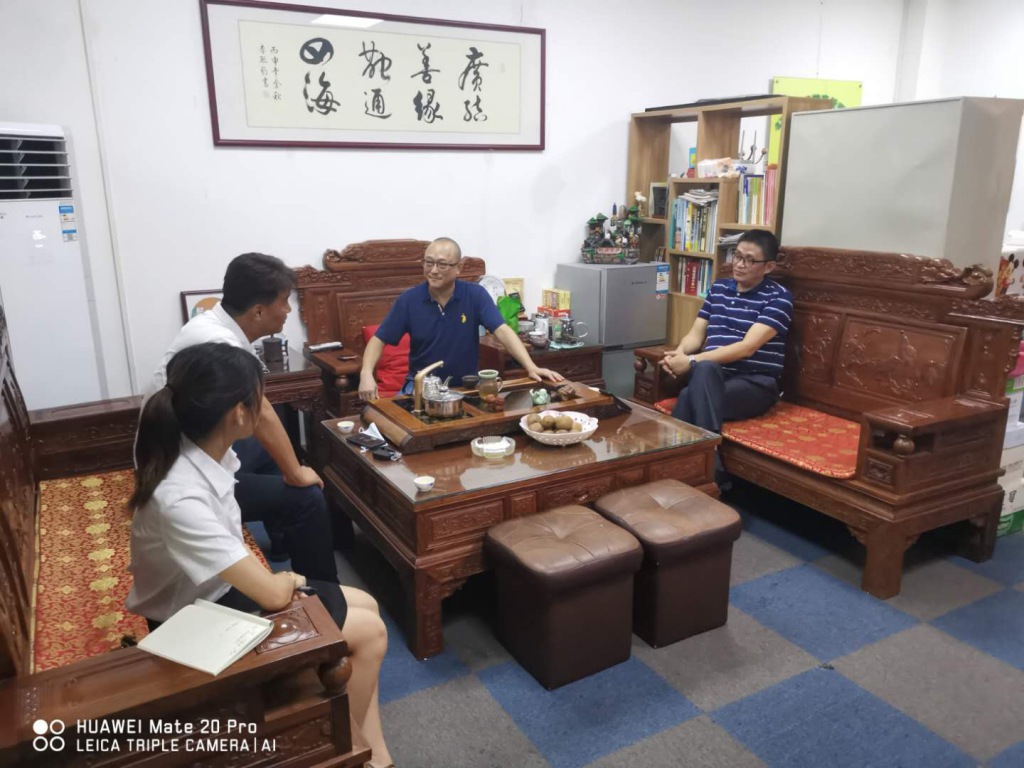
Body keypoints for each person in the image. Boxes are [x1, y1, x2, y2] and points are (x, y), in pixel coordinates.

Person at [128, 343, 393, 768]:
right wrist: (291, 580)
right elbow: (271, 594)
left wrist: (287, 585)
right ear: (238, 413)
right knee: (370, 632)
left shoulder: (204, 450)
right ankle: (343, 752)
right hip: (189, 625)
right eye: (259, 397)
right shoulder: (179, 496)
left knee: (368, 605)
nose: (264, 406)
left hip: (214, 595)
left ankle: (375, 753)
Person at [147, 253, 338, 581]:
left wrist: (289, 466)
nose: (288, 310)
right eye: (284, 301)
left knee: (270, 451)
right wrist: (296, 472)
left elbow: (257, 410)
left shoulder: (217, 325)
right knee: (307, 496)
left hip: (193, 448)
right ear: (258, 311)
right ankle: (325, 594)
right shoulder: (217, 342)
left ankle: (281, 540)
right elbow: (260, 412)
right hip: (181, 467)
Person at [660, 230, 792, 488]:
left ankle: (673, 470)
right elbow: (695, 335)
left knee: (689, 393)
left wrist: (692, 361)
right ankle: (709, 471)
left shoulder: (778, 298)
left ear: (769, 266)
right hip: (713, 377)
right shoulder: (719, 288)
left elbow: (747, 348)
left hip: (755, 385)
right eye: (737, 256)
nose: (739, 264)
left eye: (749, 260)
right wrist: (680, 354)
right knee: (705, 371)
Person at [358, 237, 564, 401]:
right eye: (428, 263)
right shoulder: (409, 300)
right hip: (421, 387)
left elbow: (502, 330)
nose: (433, 270)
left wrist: (531, 367)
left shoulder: (475, 295)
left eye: (442, 264)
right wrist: (366, 374)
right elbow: (379, 339)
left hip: (466, 387)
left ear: (458, 267)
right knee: (389, 429)